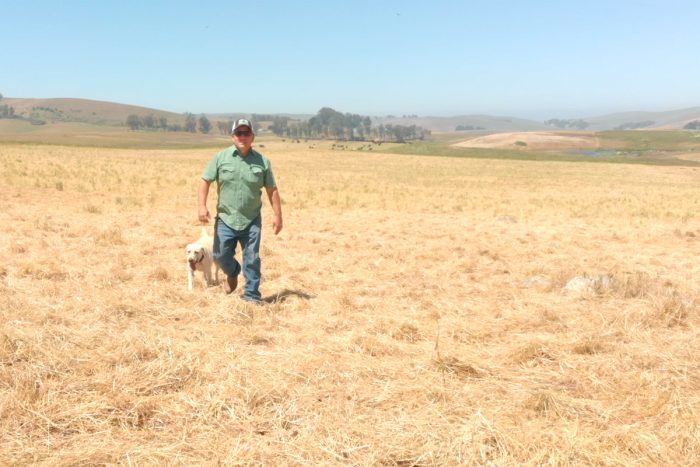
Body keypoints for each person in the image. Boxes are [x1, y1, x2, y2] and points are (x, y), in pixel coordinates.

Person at [198, 118, 283, 302]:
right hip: (225, 218)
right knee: (220, 255)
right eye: (239, 133)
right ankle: (234, 271)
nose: (242, 137)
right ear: (232, 136)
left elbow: (272, 190)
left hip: (251, 219)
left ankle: (252, 296)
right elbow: (205, 181)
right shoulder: (220, 158)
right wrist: (202, 206)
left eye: (246, 133)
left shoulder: (263, 162)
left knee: (251, 258)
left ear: (252, 137)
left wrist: (278, 216)